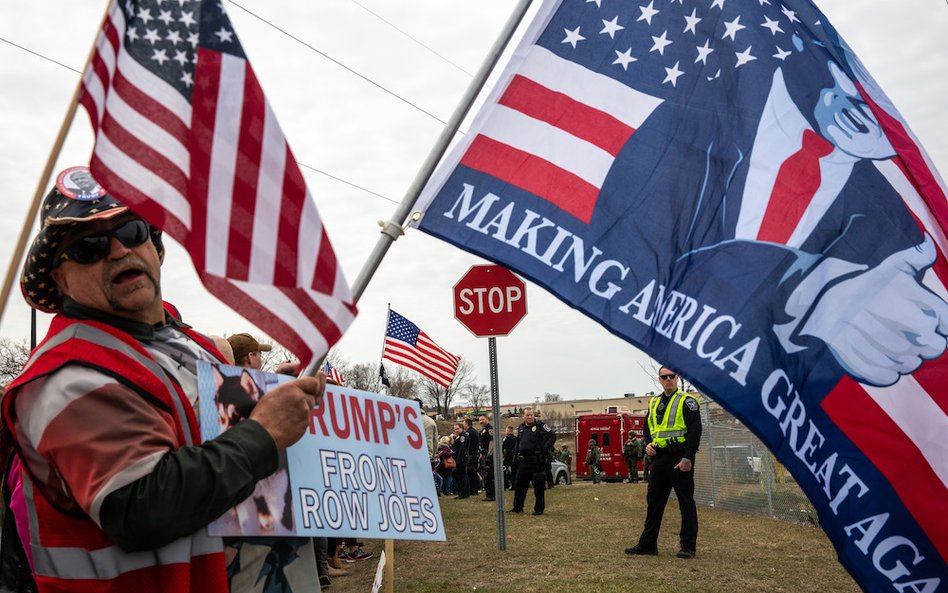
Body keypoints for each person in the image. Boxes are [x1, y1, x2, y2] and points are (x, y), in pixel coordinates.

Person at [1, 168, 325, 592]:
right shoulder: (65, 374)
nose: (117, 250)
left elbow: (206, 433)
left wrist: (270, 392)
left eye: (132, 230)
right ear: (60, 278)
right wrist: (266, 431)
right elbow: (143, 505)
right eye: (89, 247)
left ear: (154, 247)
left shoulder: (182, 341)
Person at [626, 366, 702, 559]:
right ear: (659, 380)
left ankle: (688, 546)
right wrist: (648, 444)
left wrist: (688, 458)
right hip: (659, 458)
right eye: (664, 377)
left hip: (679, 458)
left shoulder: (688, 401)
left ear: (677, 377)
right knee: (653, 502)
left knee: (685, 502)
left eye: (671, 376)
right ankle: (648, 544)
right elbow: (648, 427)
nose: (668, 380)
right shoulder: (654, 402)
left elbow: (695, 432)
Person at [509, 408, 556, 516]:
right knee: (519, 485)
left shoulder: (540, 426)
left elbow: (552, 436)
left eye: (531, 415)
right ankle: (517, 507)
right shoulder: (521, 427)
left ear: (534, 416)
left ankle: (539, 509)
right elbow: (518, 443)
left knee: (538, 486)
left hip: (536, 462)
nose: (529, 417)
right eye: (527, 415)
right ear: (523, 416)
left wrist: (545, 448)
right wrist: (515, 457)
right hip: (523, 462)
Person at [450, 423, 471, 499]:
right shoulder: (459, 436)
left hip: (461, 459)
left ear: (462, 428)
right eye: (455, 429)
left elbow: (462, 449)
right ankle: (465, 493)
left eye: (457, 428)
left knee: (462, 476)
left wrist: (458, 459)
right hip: (459, 458)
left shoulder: (463, 437)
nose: (456, 430)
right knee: (462, 476)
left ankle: (463, 494)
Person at [477, 415, 495, 501]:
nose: (481, 421)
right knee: (485, 476)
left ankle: (491, 495)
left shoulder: (490, 429)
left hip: (489, 456)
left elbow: (492, 442)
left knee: (489, 475)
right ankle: (488, 494)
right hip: (484, 454)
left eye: (483, 419)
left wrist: (489, 454)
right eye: (480, 420)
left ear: (487, 419)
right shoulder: (483, 430)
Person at [463, 418, 481, 495]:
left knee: (471, 473)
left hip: (472, 455)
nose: (463, 424)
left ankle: (473, 490)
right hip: (475, 454)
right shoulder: (475, 431)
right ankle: (475, 489)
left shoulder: (469, 432)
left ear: (467, 424)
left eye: (464, 423)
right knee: (474, 472)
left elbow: (467, 443)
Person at [501, 426, 517, 490]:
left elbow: (502, 447)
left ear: (508, 431)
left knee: (504, 470)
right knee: (514, 471)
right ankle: (514, 485)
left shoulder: (506, 438)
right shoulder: (516, 438)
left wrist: (502, 455)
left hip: (508, 456)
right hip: (514, 456)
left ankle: (505, 485)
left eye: (506, 430)